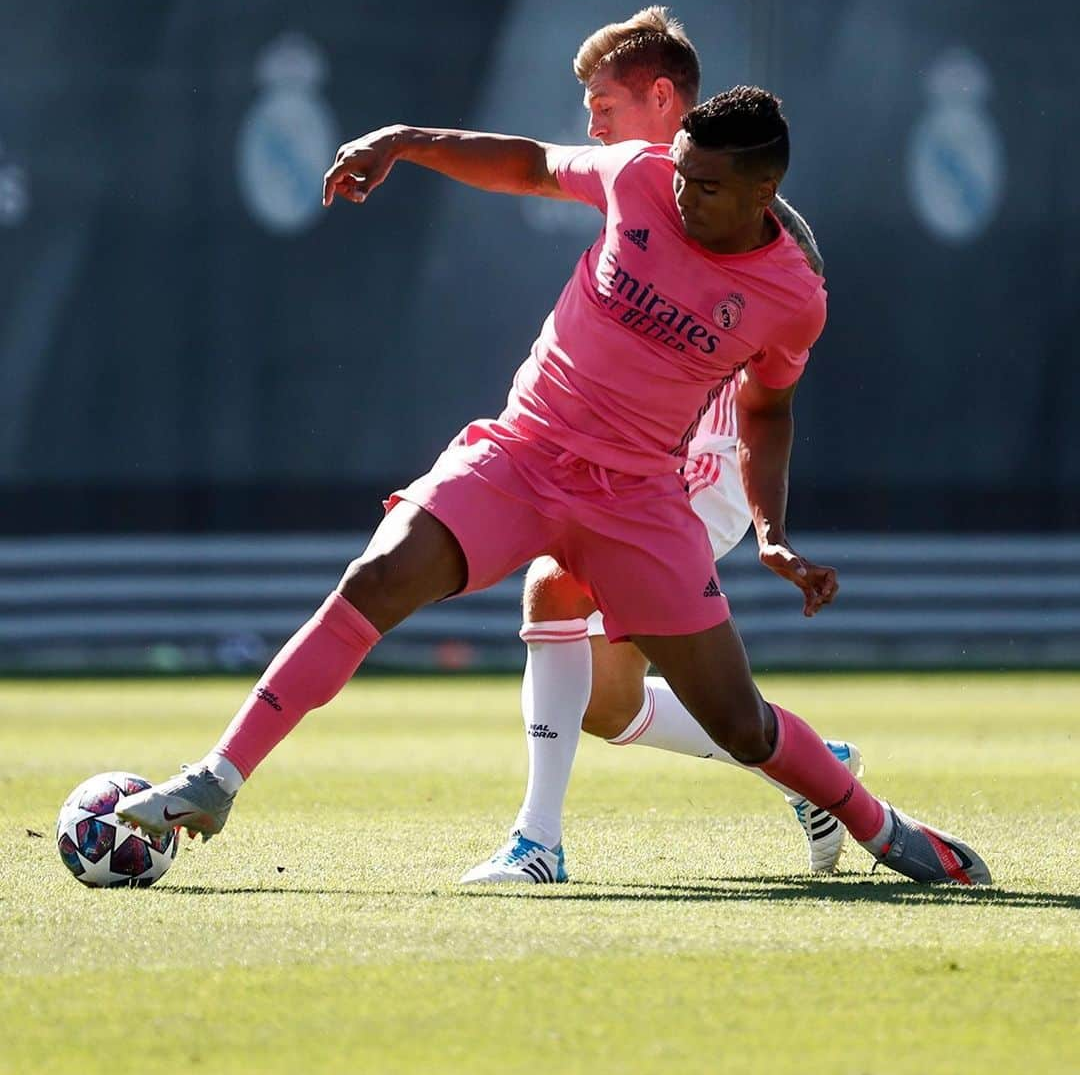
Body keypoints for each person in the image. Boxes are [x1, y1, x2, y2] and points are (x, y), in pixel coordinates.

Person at [116, 84, 990, 888]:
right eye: (682, 173)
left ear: (763, 194)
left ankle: (884, 829)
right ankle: (220, 775)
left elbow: (768, 413)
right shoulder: (644, 175)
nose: (681, 193)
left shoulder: (793, 298)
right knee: (375, 579)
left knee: (742, 729)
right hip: (523, 454)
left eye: (708, 188)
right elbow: (532, 164)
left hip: (640, 501)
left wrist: (771, 529)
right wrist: (403, 140)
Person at [459, 8, 862, 887]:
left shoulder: (766, 227)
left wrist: (766, 520)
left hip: (690, 468)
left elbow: (768, 390)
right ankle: (811, 768)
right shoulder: (645, 190)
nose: (592, 126)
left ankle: (537, 843)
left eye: (603, 106)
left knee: (553, 586)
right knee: (603, 703)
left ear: (664, 98)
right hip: (624, 459)